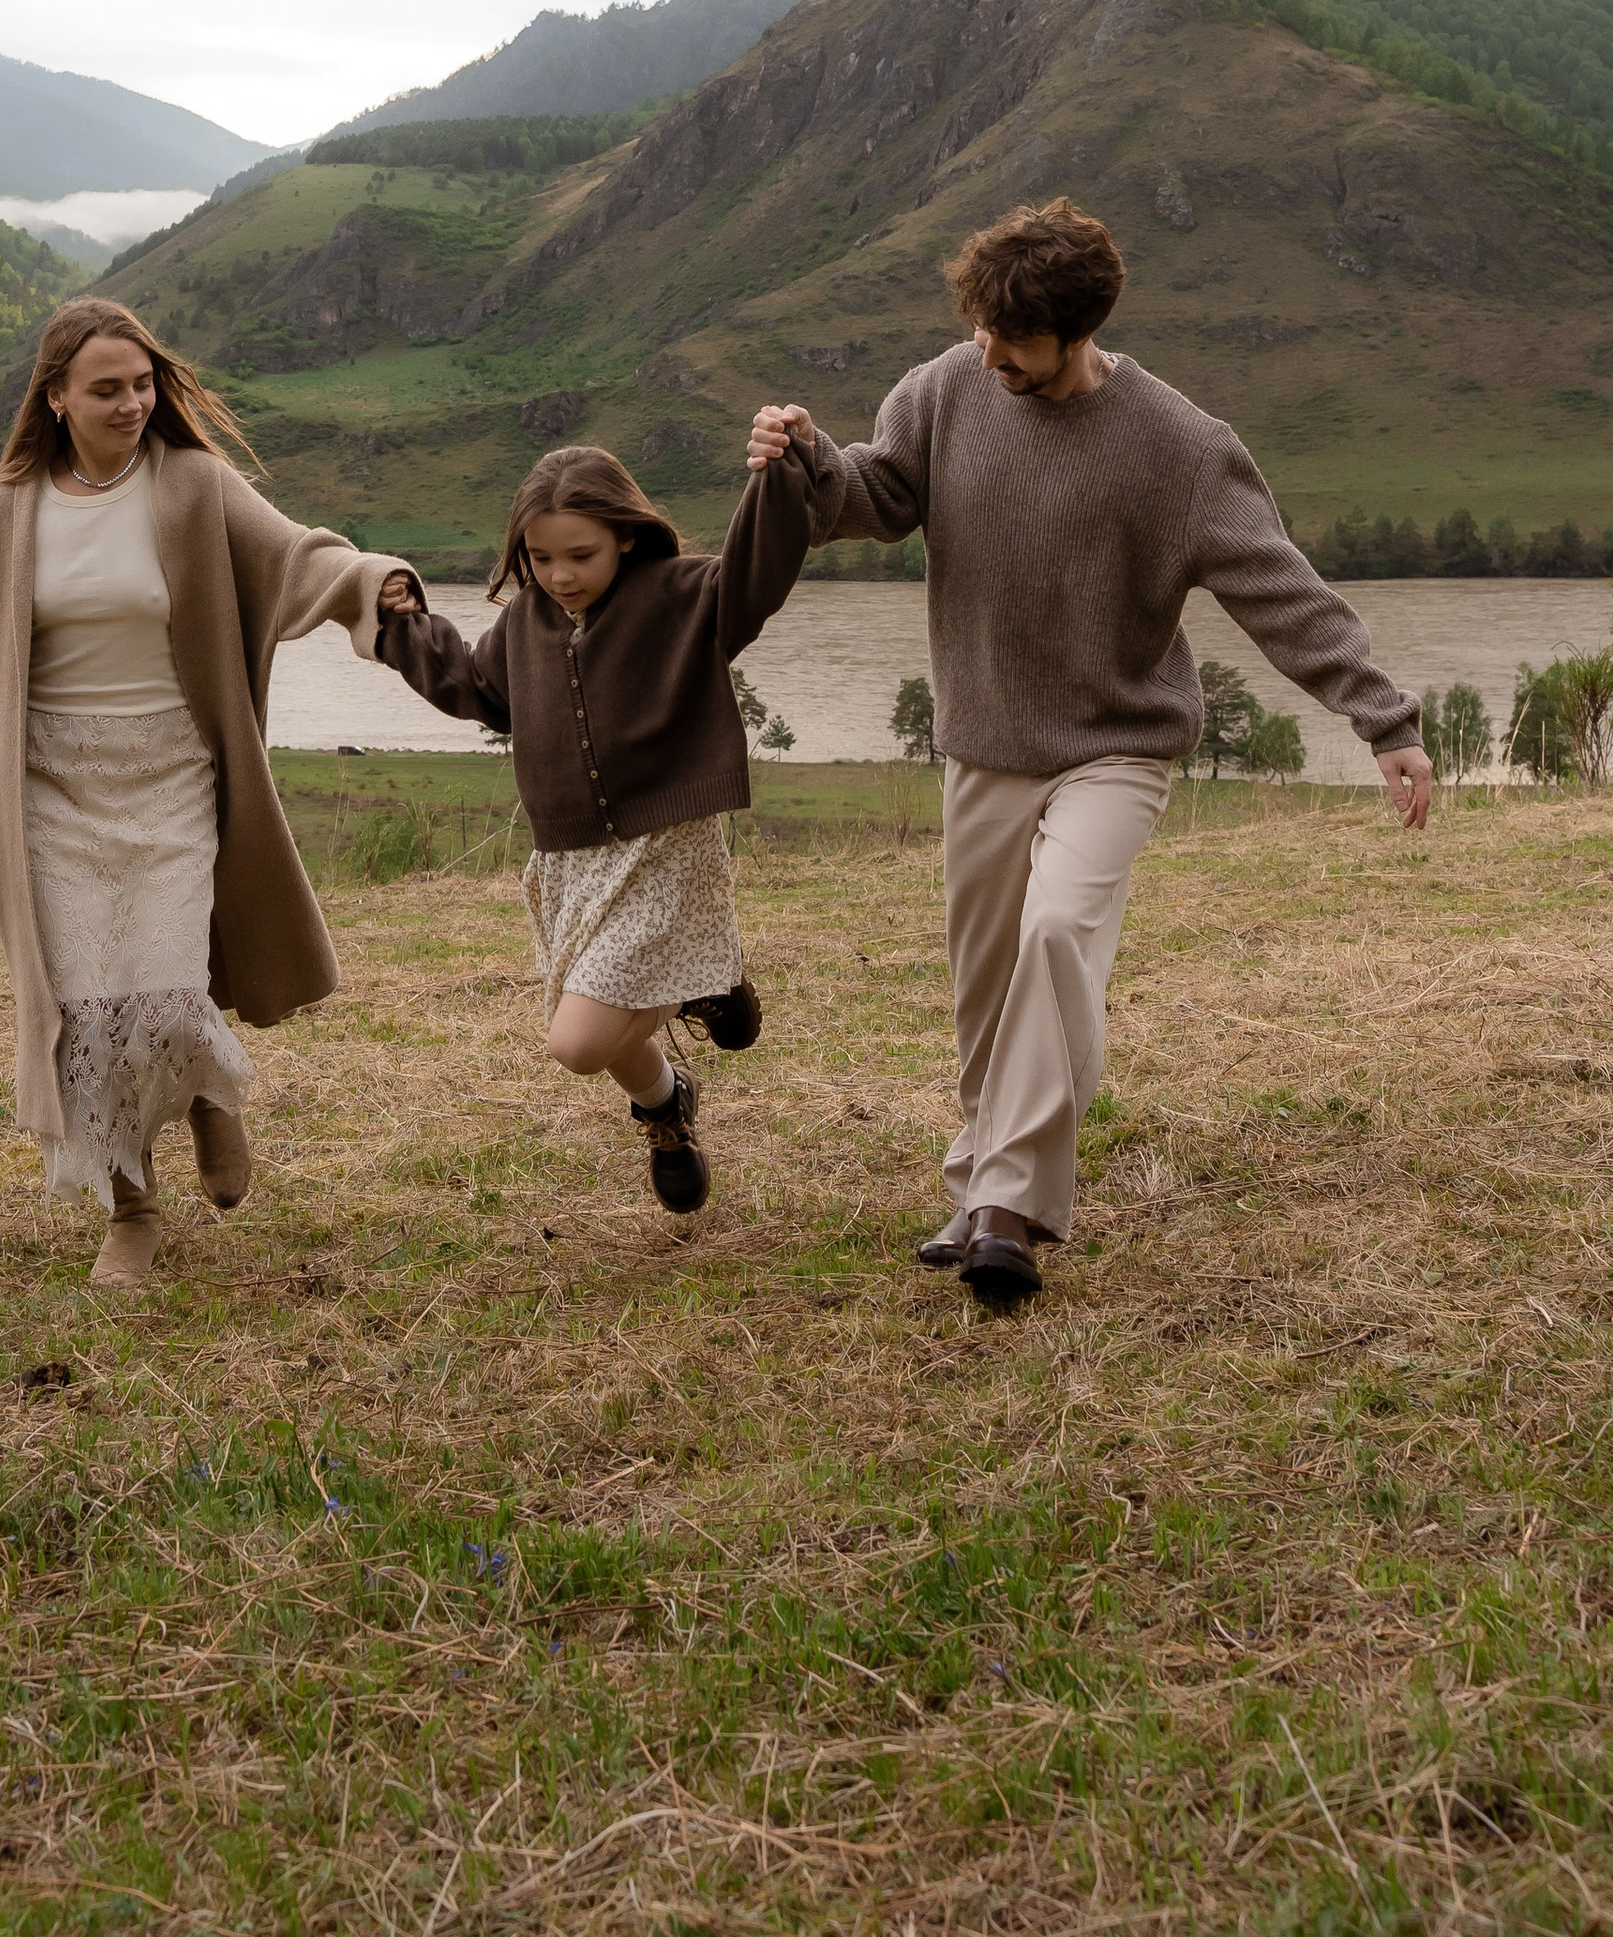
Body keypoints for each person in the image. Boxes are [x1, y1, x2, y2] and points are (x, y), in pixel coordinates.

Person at [749, 198, 1429, 1314]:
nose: (986, 354)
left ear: (1077, 332)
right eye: (977, 330)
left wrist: (1384, 720)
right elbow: (873, 498)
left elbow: (1281, 591)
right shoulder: (943, 390)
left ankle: (1008, 1208)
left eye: (1009, 342)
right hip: (983, 741)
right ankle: (978, 1183)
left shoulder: (1181, 448)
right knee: (983, 986)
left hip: (1115, 743)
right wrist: (808, 460)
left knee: (1059, 930)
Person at [0, 295, 418, 1291]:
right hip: (49, 786)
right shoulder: (11, 507)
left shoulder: (192, 485)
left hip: (173, 770)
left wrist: (371, 583)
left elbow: (293, 557)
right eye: (105, 389)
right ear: (55, 397)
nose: (130, 403)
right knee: (81, 1006)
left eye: (142, 385)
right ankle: (134, 1211)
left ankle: (208, 1098)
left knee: (160, 985)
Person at [368, 434, 830, 1215]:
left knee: (578, 1040)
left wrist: (781, 472)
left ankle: (702, 982)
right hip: (571, 857)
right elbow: (473, 687)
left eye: (579, 555)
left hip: (665, 842)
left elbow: (759, 571)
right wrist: (405, 623)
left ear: (625, 532)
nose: (559, 576)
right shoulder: (526, 623)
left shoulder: (686, 595)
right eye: (540, 559)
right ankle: (666, 1106)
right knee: (597, 1020)